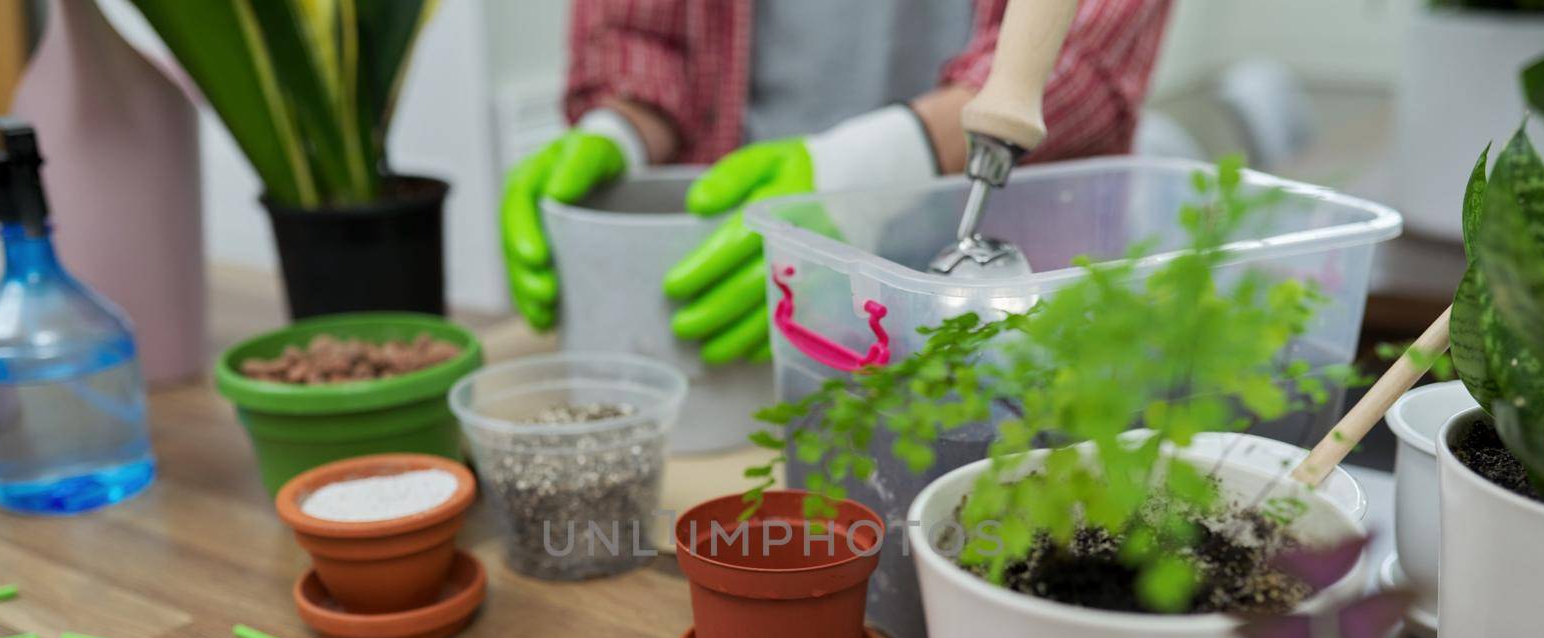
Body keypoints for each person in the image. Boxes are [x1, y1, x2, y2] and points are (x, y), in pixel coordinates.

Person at [502, 0, 1172, 363]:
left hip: (1007, 296)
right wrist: (614, 128)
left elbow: (1090, 44)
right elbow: (642, 33)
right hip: (742, 281)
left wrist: (868, 169)